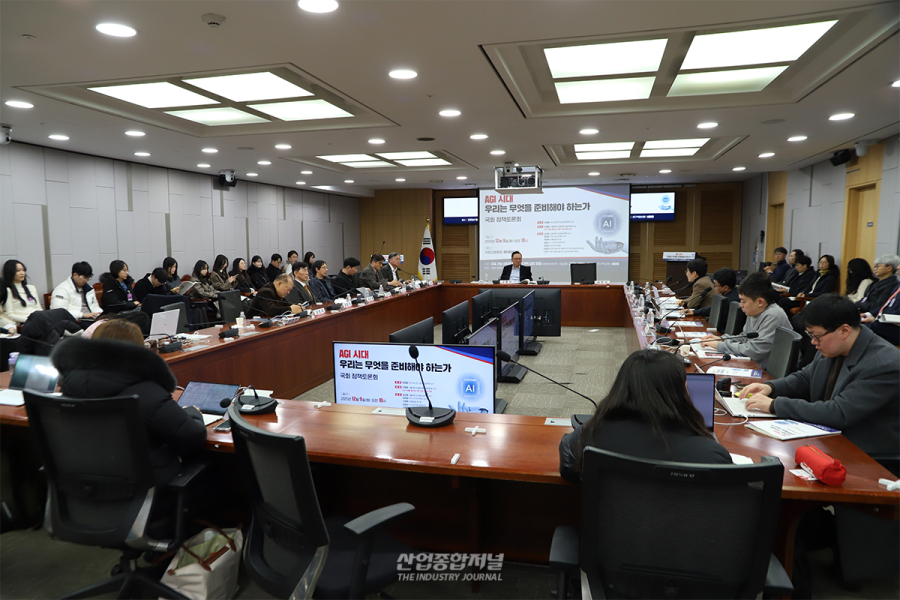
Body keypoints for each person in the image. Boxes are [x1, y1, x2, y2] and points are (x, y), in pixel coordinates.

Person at [50, 321, 207, 486]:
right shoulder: (145, 392)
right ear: (138, 350)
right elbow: (191, 436)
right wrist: (193, 413)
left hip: (83, 486)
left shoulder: (70, 385)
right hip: (143, 487)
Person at [743, 294, 899, 457]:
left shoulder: (882, 364)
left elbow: (839, 413)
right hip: (828, 437)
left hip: (866, 455)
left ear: (844, 330)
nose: (813, 342)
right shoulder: (832, 345)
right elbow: (805, 377)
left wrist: (775, 405)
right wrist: (771, 387)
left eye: (816, 336)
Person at [558, 349, 732, 483]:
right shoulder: (712, 455)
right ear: (678, 393)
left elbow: (569, 470)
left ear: (621, 387)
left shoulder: (588, 437)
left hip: (615, 529)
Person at [699, 272, 791, 370]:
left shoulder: (774, 315)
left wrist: (720, 345)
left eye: (743, 301)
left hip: (769, 373)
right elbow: (744, 337)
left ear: (760, 302)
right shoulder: (755, 310)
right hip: (755, 364)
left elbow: (755, 351)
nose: (740, 305)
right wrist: (722, 339)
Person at [2, 260, 42, 325]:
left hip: (38, 319)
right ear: (10, 273)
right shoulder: (8, 290)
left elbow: (38, 308)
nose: (22, 273)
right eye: (18, 271)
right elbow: (9, 314)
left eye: (23, 270)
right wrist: (29, 320)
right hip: (24, 322)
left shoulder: (31, 288)